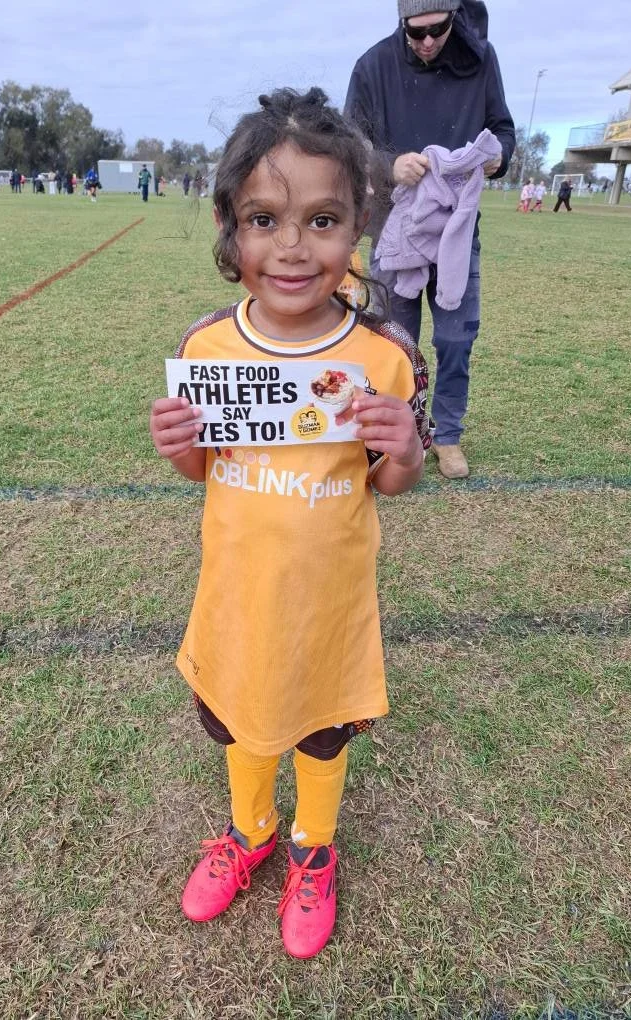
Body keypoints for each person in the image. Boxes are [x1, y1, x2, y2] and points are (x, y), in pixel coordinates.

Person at [150, 87, 431, 960]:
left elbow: (391, 486)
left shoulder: (382, 356)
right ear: (231, 230)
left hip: (327, 604)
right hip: (237, 597)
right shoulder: (208, 349)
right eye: (265, 219)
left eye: (322, 220)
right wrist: (178, 447)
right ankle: (251, 831)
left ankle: (313, 845)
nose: (292, 247)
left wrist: (405, 448)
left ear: (357, 230)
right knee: (236, 717)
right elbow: (205, 469)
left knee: (318, 726)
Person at [345, 0, 514, 479]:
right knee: (392, 338)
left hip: (455, 231)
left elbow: (502, 127)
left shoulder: (482, 61)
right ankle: (393, 435)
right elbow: (350, 142)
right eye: (413, 32)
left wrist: (496, 157)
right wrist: (388, 164)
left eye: (436, 30)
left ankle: (448, 435)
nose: (425, 42)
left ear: (455, 19)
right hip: (392, 229)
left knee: (457, 337)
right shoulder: (373, 66)